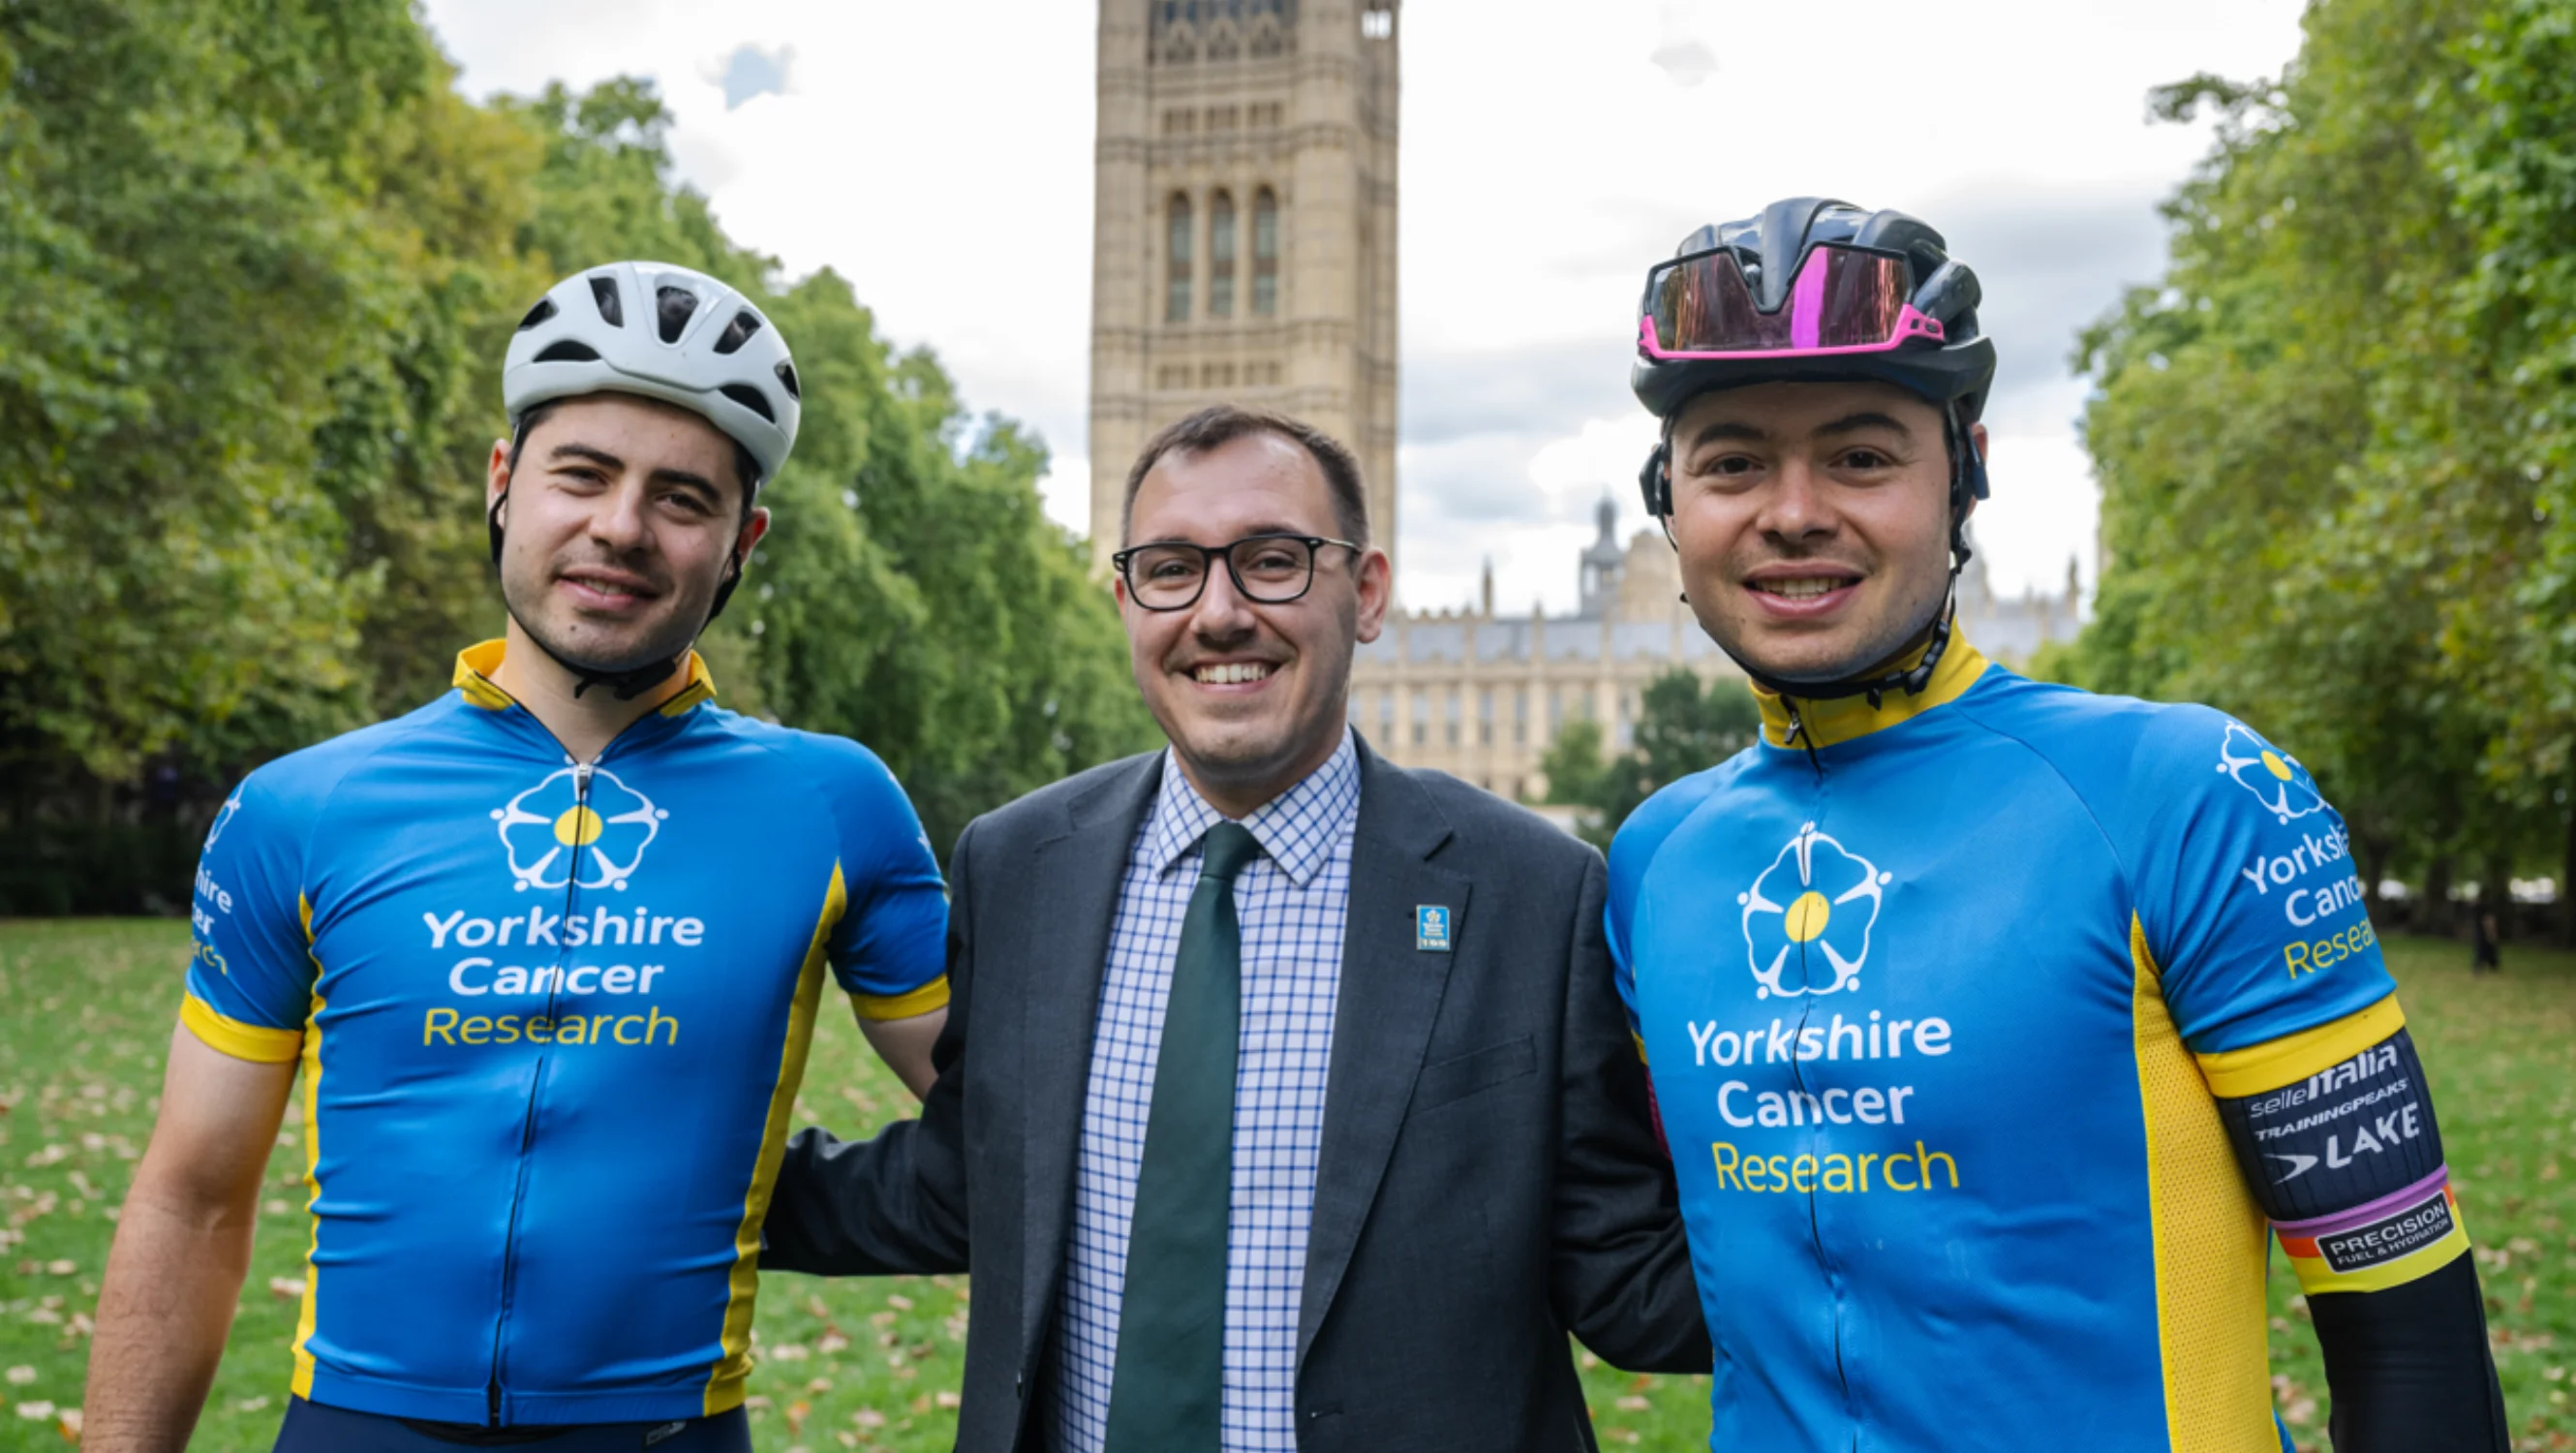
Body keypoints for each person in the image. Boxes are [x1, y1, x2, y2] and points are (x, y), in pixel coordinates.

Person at [1609, 198, 2510, 1452]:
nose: (1794, 509)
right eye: (1732, 463)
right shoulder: (1654, 861)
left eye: (1863, 456)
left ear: (1963, 476)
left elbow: (2410, 1335)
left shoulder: (2191, 792)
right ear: (1669, 502)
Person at [82, 262, 953, 1453]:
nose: (619, 527)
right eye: (581, 475)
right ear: (504, 483)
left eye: (681, 498)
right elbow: (189, 1201)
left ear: (741, 540)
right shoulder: (305, 807)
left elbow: (1013, 1128)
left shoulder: (832, 803)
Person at [759, 405, 1709, 1450]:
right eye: (1171, 569)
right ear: (1124, 599)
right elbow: (967, 1184)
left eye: (1272, 561)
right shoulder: (1019, 866)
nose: (1218, 613)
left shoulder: (1531, 892)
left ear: (1368, 592)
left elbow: (1625, 1273)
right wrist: (672, 1175)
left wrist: (1884, 1208)